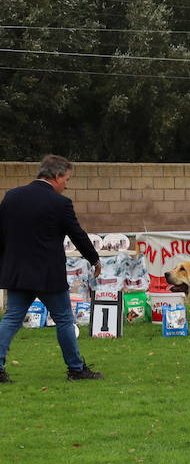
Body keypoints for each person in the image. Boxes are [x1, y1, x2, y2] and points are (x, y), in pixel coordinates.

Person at [0, 154, 104, 382]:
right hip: (48, 274)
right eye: (67, 179)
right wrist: (94, 258)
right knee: (65, 320)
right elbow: (77, 234)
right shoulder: (60, 203)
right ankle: (76, 370)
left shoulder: (11, 197)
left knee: (11, 319)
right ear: (57, 176)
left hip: (17, 272)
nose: (67, 184)